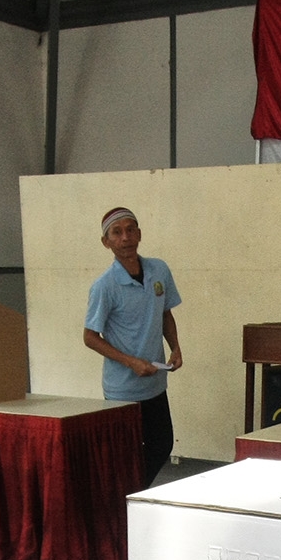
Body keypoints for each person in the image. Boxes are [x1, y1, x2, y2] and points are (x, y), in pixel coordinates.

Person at [83, 207, 183, 488]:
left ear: (139, 233)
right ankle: (125, 503)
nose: (126, 237)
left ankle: (132, 496)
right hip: (122, 390)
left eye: (131, 229)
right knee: (124, 455)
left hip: (155, 384)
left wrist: (175, 348)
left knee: (161, 445)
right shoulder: (104, 286)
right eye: (117, 232)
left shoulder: (158, 270)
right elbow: (90, 337)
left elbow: (165, 314)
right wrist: (131, 362)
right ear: (107, 242)